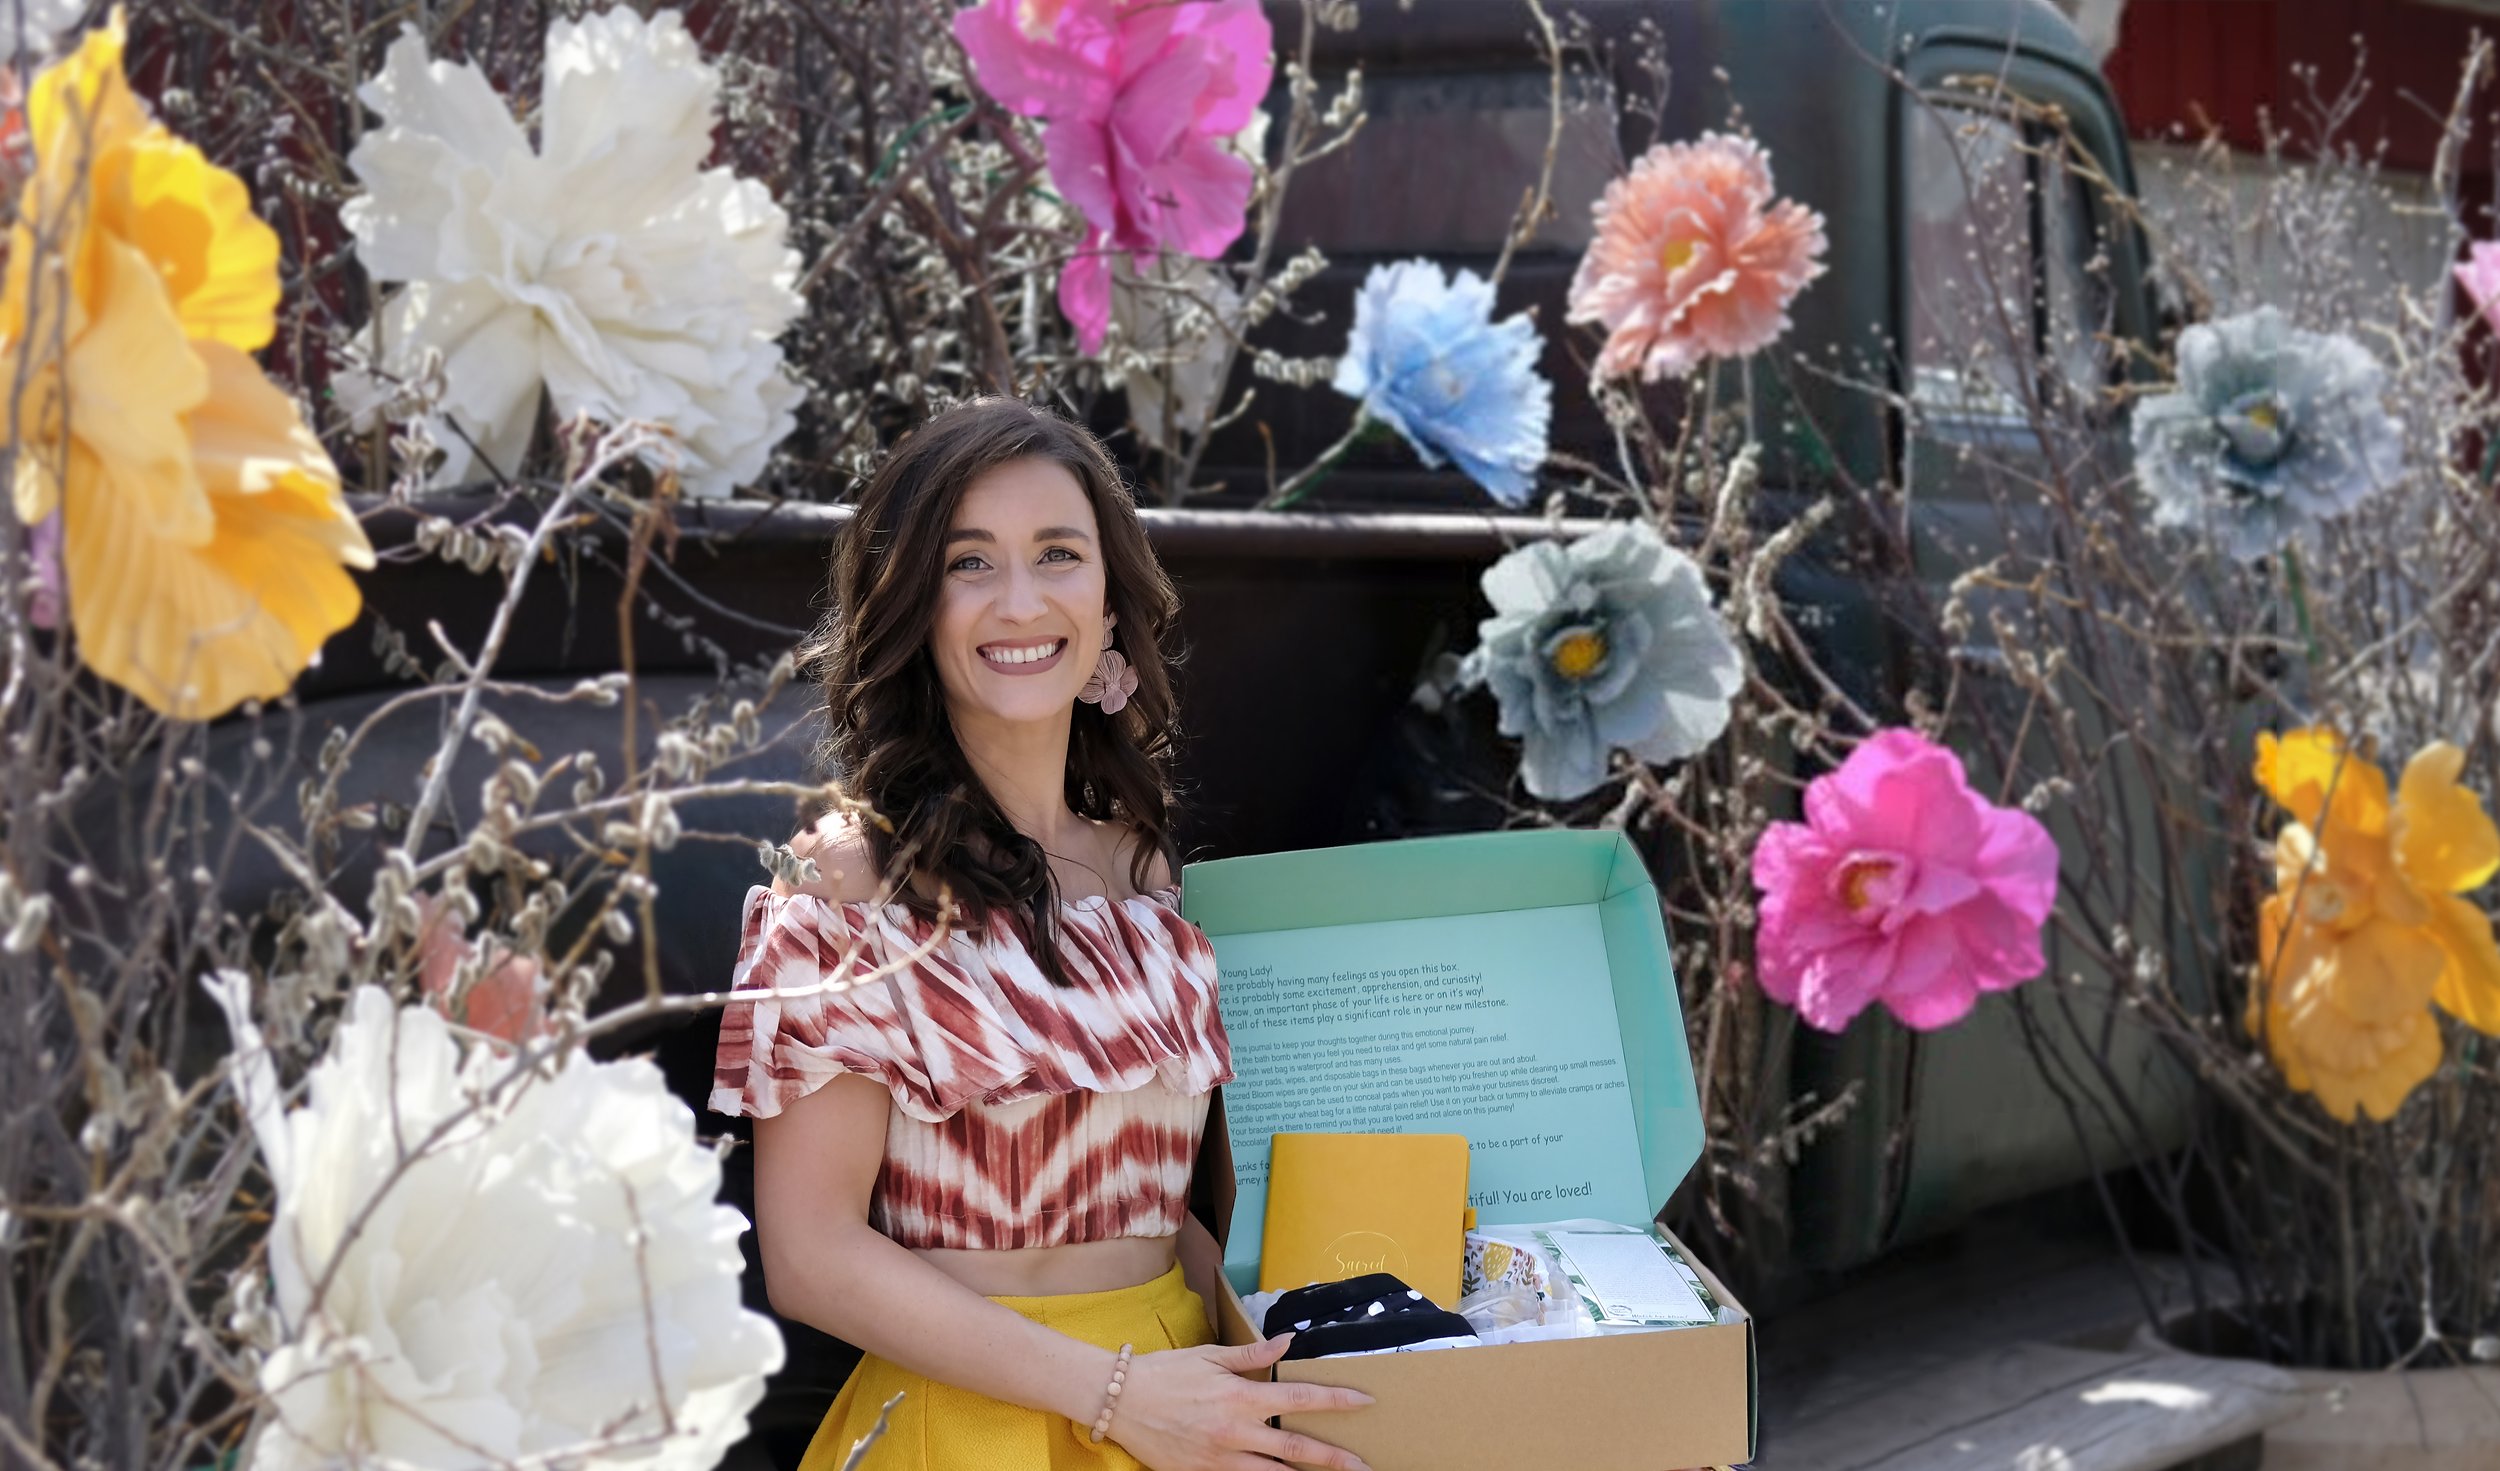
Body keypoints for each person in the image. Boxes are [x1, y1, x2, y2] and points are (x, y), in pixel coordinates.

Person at [711, 398, 1372, 1471]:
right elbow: (809, 1254)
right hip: (977, 1423)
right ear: (912, 604)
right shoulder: (844, 883)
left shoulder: (1146, 871)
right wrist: (1114, 1396)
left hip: (1190, 1408)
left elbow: (1161, 1213)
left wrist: (1301, 1349)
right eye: (969, 562)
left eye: (1057, 553)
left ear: (1110, 601)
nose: (1019, 600)